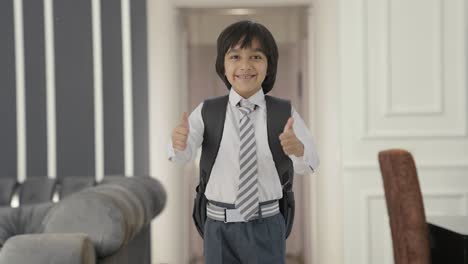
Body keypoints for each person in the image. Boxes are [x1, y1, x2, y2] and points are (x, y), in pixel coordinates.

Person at [168, 20, 319, 264]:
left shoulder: (284, 112)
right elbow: (181, 157)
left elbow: (310, 164)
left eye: (256, 57)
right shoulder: (207, 111)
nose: (245, 66)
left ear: (269, 66)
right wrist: (178, 143)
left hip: (267, 225)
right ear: (223, 65)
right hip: (219, 227)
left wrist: (298, 150)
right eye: (235, 56)